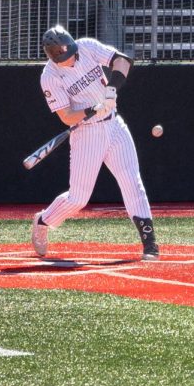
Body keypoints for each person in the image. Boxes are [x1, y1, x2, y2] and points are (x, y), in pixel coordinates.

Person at [30, 25, 158, 261]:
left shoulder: (86, 47)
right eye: (65, 58)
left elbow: (123, 61)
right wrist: (91, 110)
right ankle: (43, 220)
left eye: (72, 54)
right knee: (78, 198)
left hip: (115, 125)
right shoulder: (49, 76)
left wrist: (111, 90)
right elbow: (67, 116)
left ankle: (149, 243)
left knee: (132, 181)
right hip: (87, 133)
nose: (71, 60)